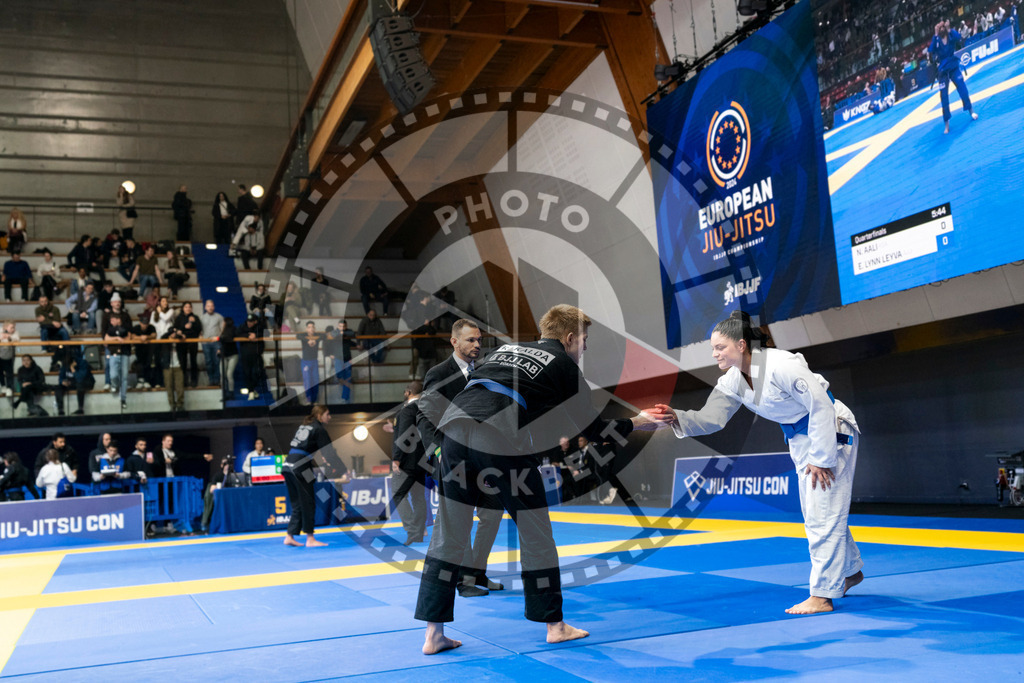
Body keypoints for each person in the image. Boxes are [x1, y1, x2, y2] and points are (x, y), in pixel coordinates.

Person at [415, 305, 663, 653]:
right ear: (570, 337)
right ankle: (555, 625)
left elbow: (484, 392)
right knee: (535, 532)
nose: (585, 348)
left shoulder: (506, 349)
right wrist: (637, 422)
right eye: (585, 341)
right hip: (497, 435)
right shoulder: (563, 363)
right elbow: (589, 428)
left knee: (449, 533)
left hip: (454, 432)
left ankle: (433, 634)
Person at [654, 311, 862, 615]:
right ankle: (851, 571)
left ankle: (821, 595)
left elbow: (820, 404)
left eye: (720, 348)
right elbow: (712, 418)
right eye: (713, 349)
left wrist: (821, 457)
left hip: (831, 431)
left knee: (822, 515)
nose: (715, 354)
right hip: (801, 440)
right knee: (818, 513)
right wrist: (678, 417)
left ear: (741, 345)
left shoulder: (781, 364)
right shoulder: (733, 381)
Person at [415, 319, 501, 598]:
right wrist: (439, 451)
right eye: (470, 340)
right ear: (455, 342)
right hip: (454, 458)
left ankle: (479, 572)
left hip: (487, 457)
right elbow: (424, 415)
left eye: (479, 340)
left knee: (491, 515)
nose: (477, 345)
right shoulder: (439, 373)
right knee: (459, 520)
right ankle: (463, 581)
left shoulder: (488, 371)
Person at [284, 405, 348, 547]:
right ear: (320, 416)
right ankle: (310, 538)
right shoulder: (319, 429)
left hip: (287, 465)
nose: (329, 417)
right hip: (302, 467)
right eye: (327, 414)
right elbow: (329, 453)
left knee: (297, 502)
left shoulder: (304, 426)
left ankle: (290, 535)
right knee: (308, 500)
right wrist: (343, 470)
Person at [391, 381, 428, 544]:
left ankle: (412, 530)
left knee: (397, 494)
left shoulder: (407, 410)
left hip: (407, 460)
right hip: (422, 460)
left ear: (408, 392)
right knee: (418, 497)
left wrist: (397, 458)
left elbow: (405, 435)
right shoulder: (426, 408)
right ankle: (418, 532)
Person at [929, 20, 979, 134]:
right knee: (944, 98)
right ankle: (946, 125)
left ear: (946, 28)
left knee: (963, 89)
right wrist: (935, 34)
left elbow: (959, 37)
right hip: (942, 71)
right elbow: (931, 50)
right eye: (939, 28)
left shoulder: (951, 35)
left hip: (953, 67)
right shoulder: (936, 39)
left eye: (943, 27)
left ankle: (971, 111)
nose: (942, 29)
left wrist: (950, 28)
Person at [103, 308, 132, 410]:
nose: (112, 322)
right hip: (113, 353)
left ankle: (123, 399)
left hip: (125, 353)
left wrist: (123, 339)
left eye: (113, 319)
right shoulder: (111, 330)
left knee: (124, 377)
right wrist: (116, 338)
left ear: (118, 320)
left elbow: (129, 337)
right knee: (114, 374)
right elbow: (106, 339)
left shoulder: (126, 327)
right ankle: (115, 384)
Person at [323, 320, 356, 403]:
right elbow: (332, 335)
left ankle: (346, 398)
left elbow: (352, 334)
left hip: (347, 358)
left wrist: (343, 333)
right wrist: (340, 333)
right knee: (339, 377)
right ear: (338, 326)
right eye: (340, 326)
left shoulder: (348, 332)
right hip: (338, 358)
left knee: (347, 378)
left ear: (346, 326)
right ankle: (342, 396)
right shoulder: (334, 332)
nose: (341, 328)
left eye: (343, 326)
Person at [34, 294, 70, 368]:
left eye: (45, 301)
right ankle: (44, 348)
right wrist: (52, 322)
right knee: (43, 331)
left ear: (48, 301)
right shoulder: (37, 310)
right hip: (46, 328)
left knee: (64, 331)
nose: (44, 303)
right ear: (39, 302)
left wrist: (45, 319)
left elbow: (57, 322)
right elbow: (41, 322)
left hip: (57, 329)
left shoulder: (55, 309)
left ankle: (68, 347)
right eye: (41, 302)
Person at [56, 348, 95, 415]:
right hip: (73, 383)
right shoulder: (65, 364)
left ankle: (80, 409)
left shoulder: (83, 363)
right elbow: (61, 377)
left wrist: (72, 368)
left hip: (87, 382)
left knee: (80, 385)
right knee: (58, 388)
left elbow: (80, 378)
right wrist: (62, 382)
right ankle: (61, 410)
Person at [238, 313, 266, 400]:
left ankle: (252, 390)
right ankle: (251, 391)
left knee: (257, 372)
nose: (249, 323)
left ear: (255, 321)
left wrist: (256, 335)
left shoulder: (260, 327)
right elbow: (236, 333)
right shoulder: (242, 326)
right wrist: (248, 336)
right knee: (247, 374)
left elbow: (266, 333)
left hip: (257, 355)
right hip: (245, 355)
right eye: (248, 321)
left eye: (251, 322)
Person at [174, 301, 201, 387]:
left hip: (192, 341)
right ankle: (184, 381)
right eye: (186, 307)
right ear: (183, 308)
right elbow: (176, 329)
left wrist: (194, 323)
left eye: (189, 307)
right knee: (183, 362)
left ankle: (194, 381)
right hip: (182, 342)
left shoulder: (195, 317)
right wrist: (183, 330)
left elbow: (199, 329)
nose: (188, 308)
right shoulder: (179, 318)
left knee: (193, 361)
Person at [200, 300, 224, 387]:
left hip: (216, 342)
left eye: (212, 306)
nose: (210, 307)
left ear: (214, 307)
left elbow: (223, 329)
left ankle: (217, 380)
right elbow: (199, 329)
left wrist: (218, 338)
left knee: (217, 361)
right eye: (208, 306)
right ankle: (211, 380)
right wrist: (201, 337)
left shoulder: (219, 317)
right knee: (208, 362)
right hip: (206, 343)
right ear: (205, 307)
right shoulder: (202, 317)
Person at [297, 321, 321, 404]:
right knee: (307, 381)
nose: (311, 329)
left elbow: (324, 336)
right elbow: (298, 336)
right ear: (306, 328)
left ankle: (314, 400)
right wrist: (308, 340)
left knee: (315, 380)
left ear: (314, 328)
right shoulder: (303, 335)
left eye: (312, 327)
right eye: (309, 327)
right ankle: (308, 400)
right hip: (305, 362)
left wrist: (315, 340)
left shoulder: (317, 335)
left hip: (314, 362)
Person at [219, 316, 238, 398]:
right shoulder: (222, 331)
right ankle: (223, 392)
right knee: (222, 375)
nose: (222, 323)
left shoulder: (233, 329)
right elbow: (223, 343)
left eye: (223, 322)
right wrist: (219, 349)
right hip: (224, 354)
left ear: (226, 322)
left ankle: (231, 392)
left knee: (229, 374)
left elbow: (228, 339)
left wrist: (218, 338)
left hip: (232, 355)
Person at [0, 320, 19, 397]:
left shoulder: (15, 333)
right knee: (0, 372)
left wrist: (9, 337)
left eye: (14, 327)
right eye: (11, 327)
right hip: (0, 356)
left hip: (9, 357)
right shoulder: (0, 331)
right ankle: (3, 385)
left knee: (9, 373)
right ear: (5, 327)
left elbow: (17, 339)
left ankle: (9, 387)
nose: (13, 329)